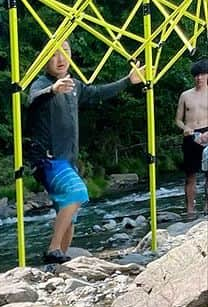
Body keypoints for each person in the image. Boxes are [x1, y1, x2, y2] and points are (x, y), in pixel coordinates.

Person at [25, 41, 144, 264]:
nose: (60, 59)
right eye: (54, 55)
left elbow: (98, 92)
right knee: (77, 192)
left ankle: (60, 262)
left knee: (70, 214)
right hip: (46, 159)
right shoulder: (40, 83)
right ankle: (52, 250)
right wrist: (53, 89)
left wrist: (129, 81)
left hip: (67, 160)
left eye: (65, 53)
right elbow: (32, 99)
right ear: (44, 60)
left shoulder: (75, 86)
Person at [175, 59, 208, 218]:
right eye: (196, 75)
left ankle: (207, 207)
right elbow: (178, 120)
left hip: (207, 134)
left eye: (202, 74)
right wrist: (185, 128)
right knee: (190, 175)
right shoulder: (185, 95)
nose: (199, 78)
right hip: (190, 135)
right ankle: (190, 210)